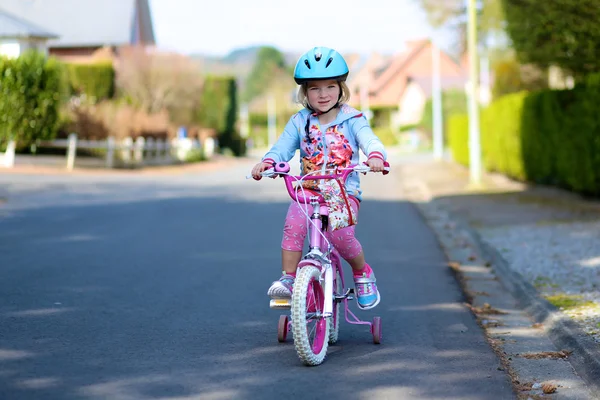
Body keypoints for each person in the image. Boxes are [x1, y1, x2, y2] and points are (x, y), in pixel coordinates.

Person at [251, 46, 387, 310]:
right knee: (293, 224)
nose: (323, 94)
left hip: (343, 191)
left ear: (341, 88)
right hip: (308, 190)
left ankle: (361, 272)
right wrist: (268, 162)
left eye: (329, 87)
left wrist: (375, 156)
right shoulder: (300, 122)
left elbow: (370, 140)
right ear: (305, 92)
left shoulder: (353, 119)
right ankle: (289, 280)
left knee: (341, 236)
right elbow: (282, 148)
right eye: (314, 88)